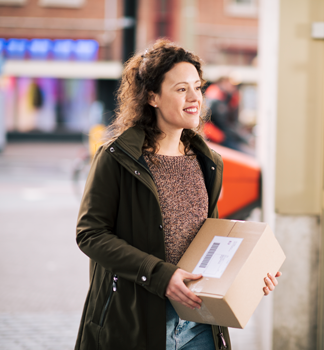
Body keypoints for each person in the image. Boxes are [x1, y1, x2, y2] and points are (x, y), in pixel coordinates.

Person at [74, 39, 281, 350]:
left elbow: (208, 238)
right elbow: (90, 235)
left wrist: (248, 274)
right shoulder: (117, 157)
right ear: (153, 97)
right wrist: (161, 275)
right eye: (182, 89)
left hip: (200, 322)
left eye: (198, 87)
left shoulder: (208, 161)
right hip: (135, 321)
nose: (195, 97)